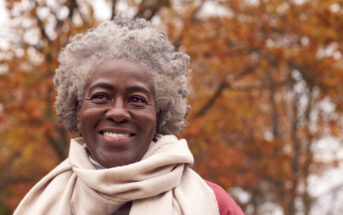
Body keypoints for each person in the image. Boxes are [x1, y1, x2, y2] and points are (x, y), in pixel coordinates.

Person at [14, 17, 245, 215]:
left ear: (159, 115)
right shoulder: (42, 204)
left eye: (136, 99)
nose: (117, 112)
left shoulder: (214, 205)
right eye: (101, 96)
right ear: (77, 111)